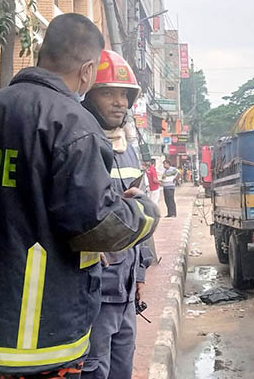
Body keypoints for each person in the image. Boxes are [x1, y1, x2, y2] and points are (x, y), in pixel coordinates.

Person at [0, 14, 158, 379]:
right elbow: (97, 227)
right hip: (44, 339)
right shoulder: (73, 124)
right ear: (87, 71)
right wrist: (142, 212)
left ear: (42, 54)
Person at [80, 50, 158, 379]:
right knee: (94, 371)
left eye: (124, 94)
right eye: (108, 92)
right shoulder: (79, 144)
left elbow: (140, 218)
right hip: (93, 295)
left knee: (122, 368)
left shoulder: (130, 149)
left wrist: (139, 275)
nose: (119, 102)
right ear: (88, 95)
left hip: (125, 293)